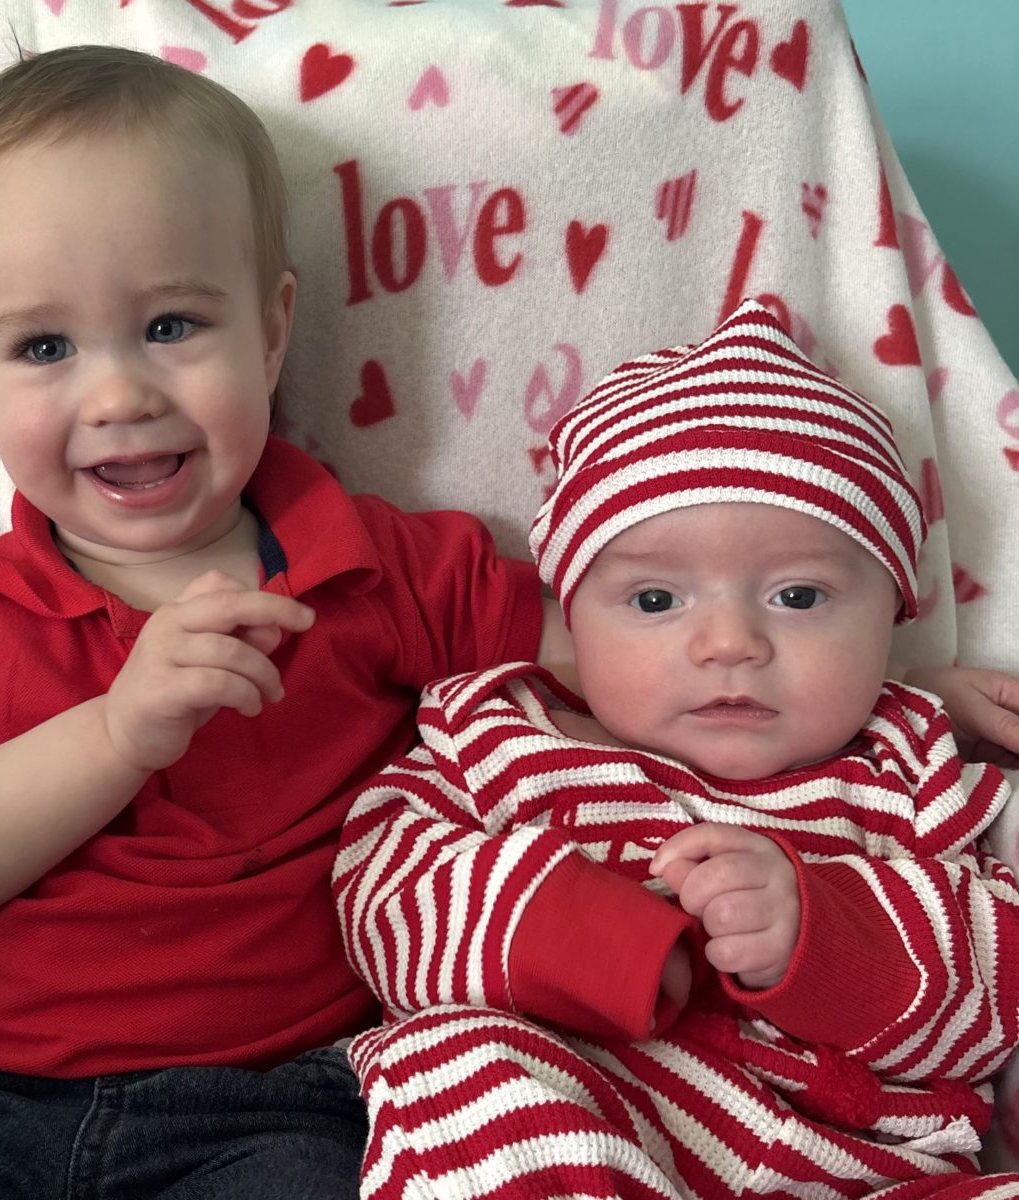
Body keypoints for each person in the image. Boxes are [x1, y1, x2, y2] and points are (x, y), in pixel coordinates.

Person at [0, 45, 556, 1200]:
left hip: (271, 1114)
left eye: (171, 325)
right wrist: (114, 736)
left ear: (270, 333)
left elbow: (630, 649)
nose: (119, 395)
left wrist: (883, 691)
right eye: (45, 348)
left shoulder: (379, 565)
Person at [333, 300, 1019, 1199]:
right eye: (656, 602)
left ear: (891, 614)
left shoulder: (915, 764)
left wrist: (822, 934)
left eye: (800, 597)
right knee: (452, 1065)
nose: (728, 642)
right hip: (596, 1128)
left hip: (872, 1168)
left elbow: (997, 987)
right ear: (569, 614)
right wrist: (594, 936)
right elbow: (384, 897)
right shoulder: (497, 735)